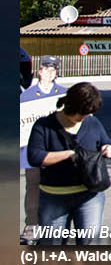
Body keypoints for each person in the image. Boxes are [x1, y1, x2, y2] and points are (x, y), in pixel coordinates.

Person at [27, 82, 111, 246]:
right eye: (81, 114)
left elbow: (107, 141)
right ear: (70, 106)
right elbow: (35, 157)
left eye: (87, 114)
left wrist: (109, 148)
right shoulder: (44, 125)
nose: (83, 118)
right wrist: (68, 155)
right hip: (53, 197)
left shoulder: (92, 123)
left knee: (90, 245)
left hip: (90, 196)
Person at [20, 56, 66, 244]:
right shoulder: (26, 97)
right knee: (33, 187)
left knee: (59, 189)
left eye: (53, 69)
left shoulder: (63, 95)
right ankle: (31, 225)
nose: (49, 72)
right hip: (32, 150)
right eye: (46, 68)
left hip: (56, 151)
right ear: (39, 71)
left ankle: (56, 227)